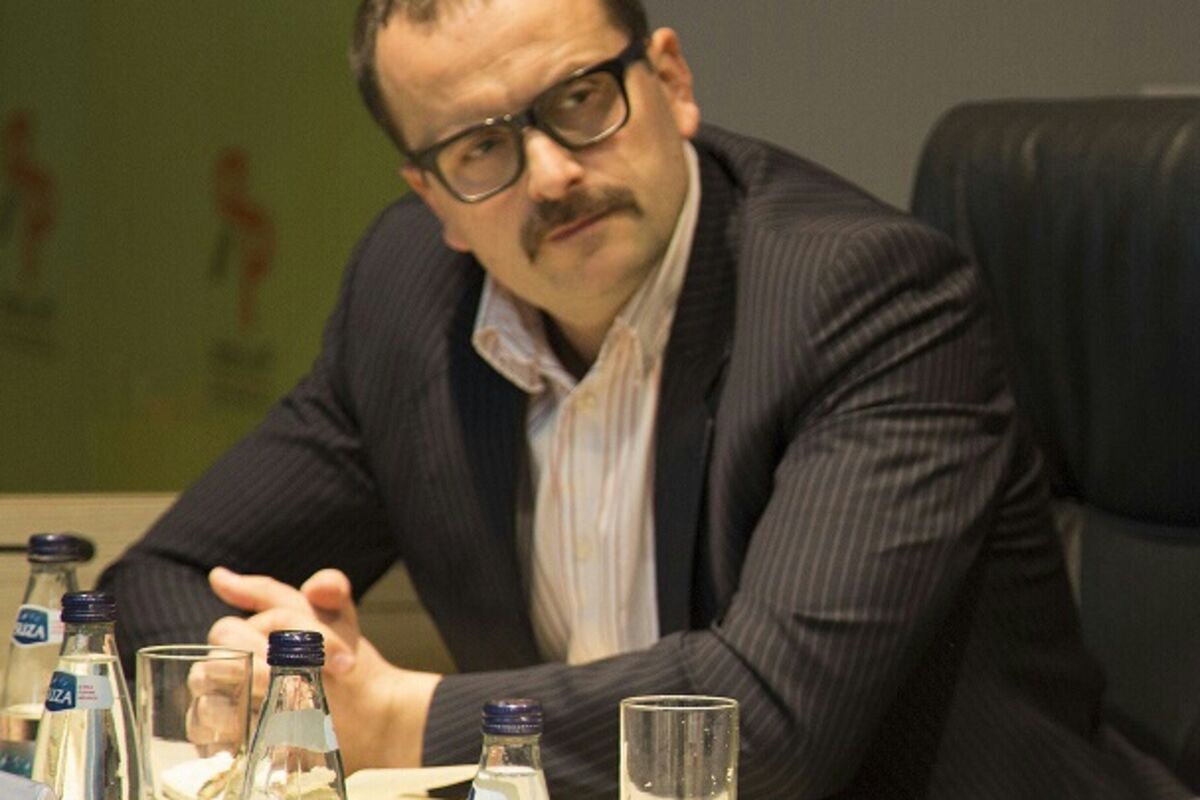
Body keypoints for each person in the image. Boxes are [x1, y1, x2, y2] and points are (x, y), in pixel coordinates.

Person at [99, 1, 1185, 797]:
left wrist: (392, 720)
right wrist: (260, 681)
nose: (551, 174)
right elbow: (158, 579)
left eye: (579, 101)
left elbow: (768, 723)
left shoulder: (867, 298)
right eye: (481, 148)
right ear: (434, 198)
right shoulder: (408, 299)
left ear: (669, 78)